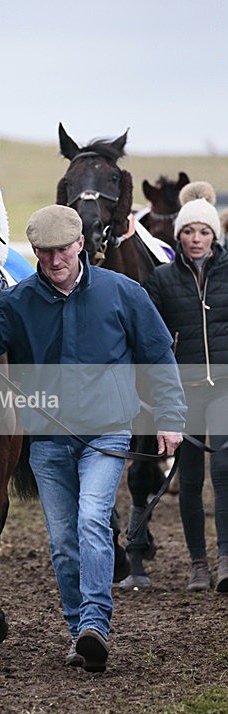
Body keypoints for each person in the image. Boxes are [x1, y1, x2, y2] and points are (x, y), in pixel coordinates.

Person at [0, 204, 186, 672]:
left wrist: (171, 417)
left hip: (106, 433)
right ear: (34, 251)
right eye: (44, 252)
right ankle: (79, 631)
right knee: (62, 542)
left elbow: (159, 354)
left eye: (62, 250)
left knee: (92, 521)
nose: (54, 260)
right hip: (48, 442)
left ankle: (95, 623)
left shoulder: (124, 293)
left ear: (80, 244)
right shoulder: (20, 302)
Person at [143, 182, 228, 593]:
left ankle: (226, 558)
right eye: (190, 232)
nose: (197, 240)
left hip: (225, 388)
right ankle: (198, 564)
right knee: (189, 479)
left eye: (204, 232)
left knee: (224, 468)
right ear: (178, 236)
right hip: (185, 390)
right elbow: (154, 341)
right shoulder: (160, 280)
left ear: (215, 236)